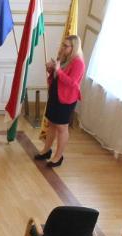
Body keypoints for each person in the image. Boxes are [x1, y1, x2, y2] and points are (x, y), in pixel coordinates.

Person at [36, 35, 85, 168]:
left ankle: (58, 156)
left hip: (66, 99)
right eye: (63, 44)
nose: (62, 48)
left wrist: (58, 70)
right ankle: (46, 150)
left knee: (62, 127)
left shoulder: (78, 63)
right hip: (55, 94)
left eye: (66, 46)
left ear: (73, 47)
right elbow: (56, 76)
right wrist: (51, 69)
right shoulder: (62, 57)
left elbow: (73, 83)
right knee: (51, 123)